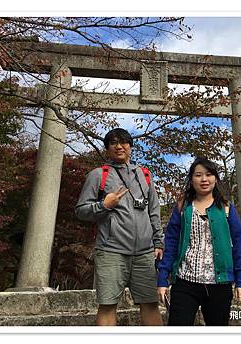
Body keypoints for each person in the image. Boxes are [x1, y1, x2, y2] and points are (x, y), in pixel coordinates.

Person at [75, 128, 164, 326]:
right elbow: (81, 210)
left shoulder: (145, 175)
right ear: (107, 148)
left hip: (145, 252)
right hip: (110, 250)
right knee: (107, 304)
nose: (119, 146)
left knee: (150, 303)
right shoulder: (99, 175)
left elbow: (154, 211)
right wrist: (103, 205)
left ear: (130, 146)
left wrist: (159, 242)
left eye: (123, 142)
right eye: (113, 143)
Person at [157, 157, 241, 326]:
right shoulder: (183, 206)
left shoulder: (227, 208)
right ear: (191, 179)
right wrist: (163, 278)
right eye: (198, 175)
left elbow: (238, 245)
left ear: (215, 178)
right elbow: (170, 243)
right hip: (185, 281)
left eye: (209, 174)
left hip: (219, 284)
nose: (204, 179)